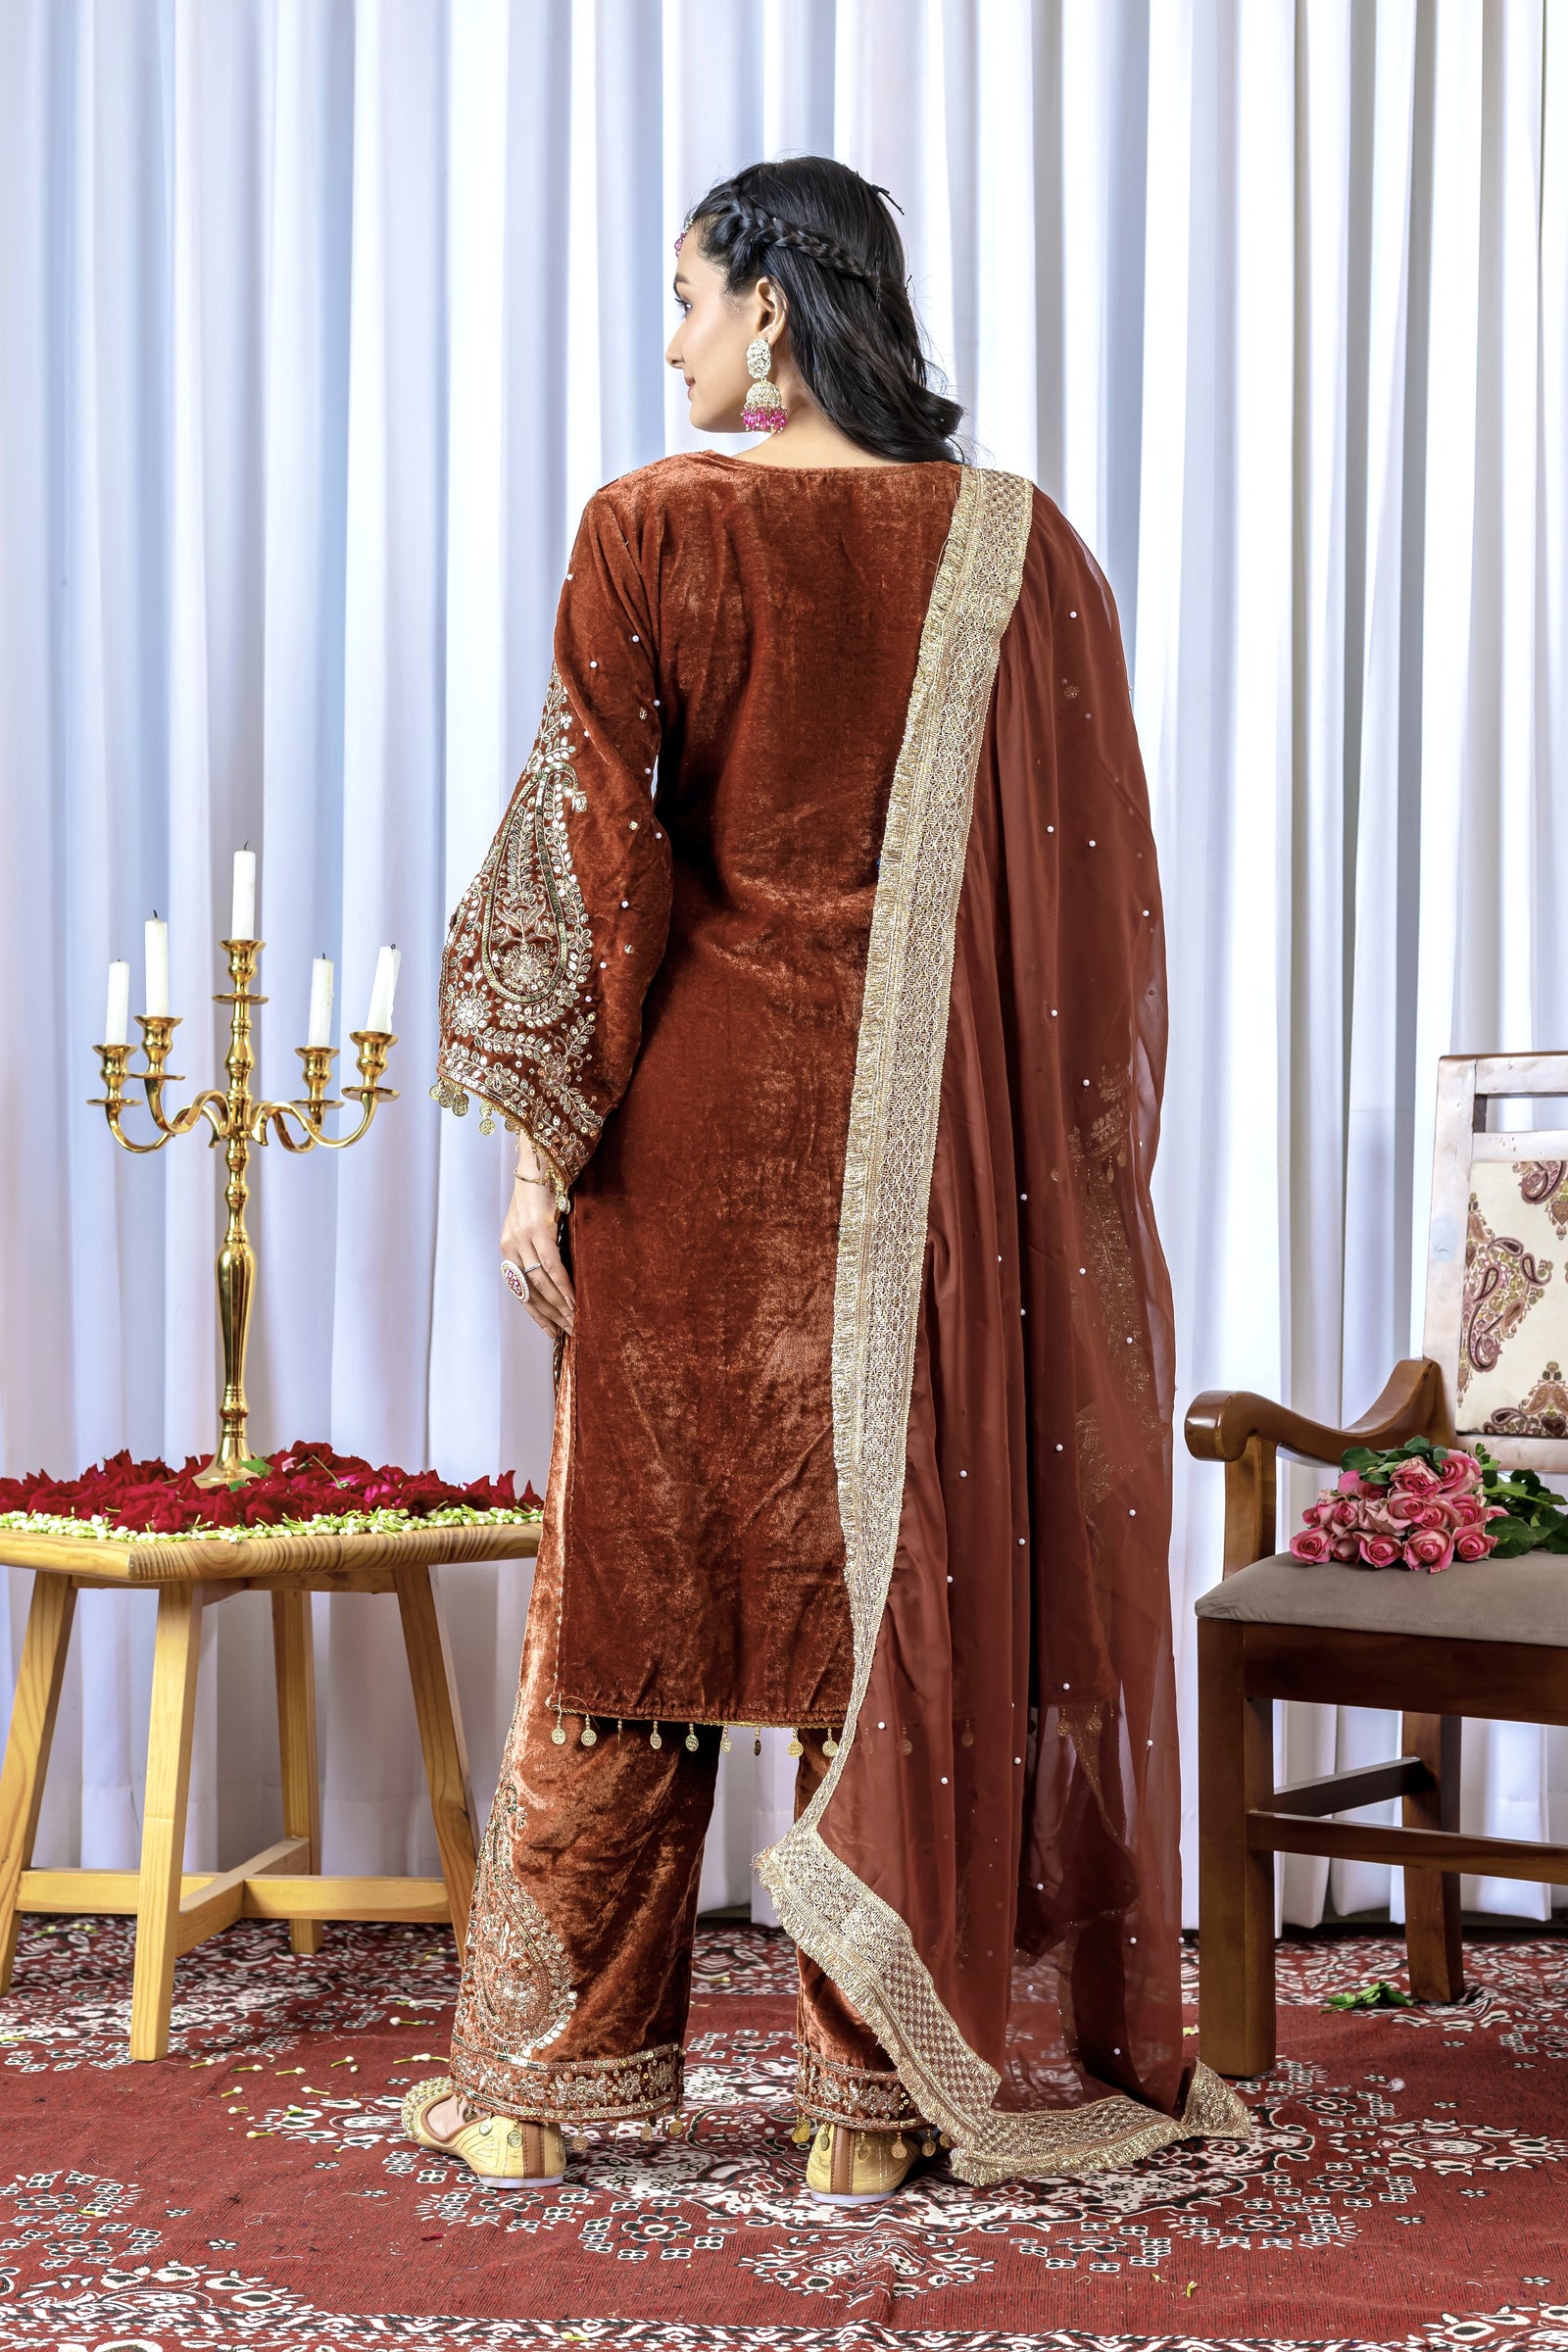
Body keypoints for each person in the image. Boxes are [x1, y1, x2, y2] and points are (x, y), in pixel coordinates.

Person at [404, 156, 1248, 2201]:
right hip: (928, 1184)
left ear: (773, 310)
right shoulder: (1015, 553)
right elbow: (1092, 922)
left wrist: (545, 1148)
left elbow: (601, 865)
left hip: (694, 1144)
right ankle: (861, 2119)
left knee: (633, 1598)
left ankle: (542, 2087)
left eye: (688, 295)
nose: (673, 335)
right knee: (890, 1597)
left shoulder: (647, 526)